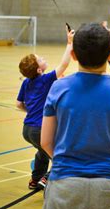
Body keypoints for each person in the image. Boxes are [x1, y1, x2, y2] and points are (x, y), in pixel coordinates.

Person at [40, 22, 110, 209]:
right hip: (107, 187)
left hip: (64, 185)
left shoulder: (58, 88)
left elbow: (46, 142)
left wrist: (67, 163)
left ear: (74, 55)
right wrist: (107, 165)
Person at [16, 27, 74, 190]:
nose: (43, 57)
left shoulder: (26, 82)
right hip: (41, 129)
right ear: (39, 70)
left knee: (43, 152)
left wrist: (32, 111)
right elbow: (64, 65)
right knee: (60, 155)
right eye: (40, 58)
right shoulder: (44, 80)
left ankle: (35, 179)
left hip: (27, 130)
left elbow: (19, 104)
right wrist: (69, 43)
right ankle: (47, 178)